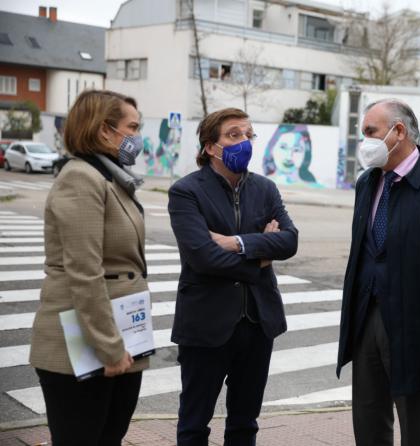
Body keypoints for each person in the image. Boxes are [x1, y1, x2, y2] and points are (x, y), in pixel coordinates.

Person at [336, 99, 420, 446]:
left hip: (417, 327)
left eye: (370, 132)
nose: (364, 141)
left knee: (415, 427)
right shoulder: (368, 182)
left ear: (399, 132)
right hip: (367, 317)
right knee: (368, 422)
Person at [169, 108, 298, 446]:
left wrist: (236, 243)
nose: (244, 142)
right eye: (233, 135)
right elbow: (203, 257)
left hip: (257, 324)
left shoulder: (265, 188)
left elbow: (289, 240)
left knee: (245, 423)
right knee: (194, 423)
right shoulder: (186, 192)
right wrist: (260, 259)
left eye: (248, 134)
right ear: (211, 147)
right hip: (206, 324)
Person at [29, 89, 148, 446]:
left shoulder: (113, 178)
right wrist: (110, 348)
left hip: (122, 332)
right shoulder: (81, 178)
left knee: (110, 435)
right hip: (83, 343)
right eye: (132, 127)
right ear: (104, 131)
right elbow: (84, 270)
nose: (137, 137)